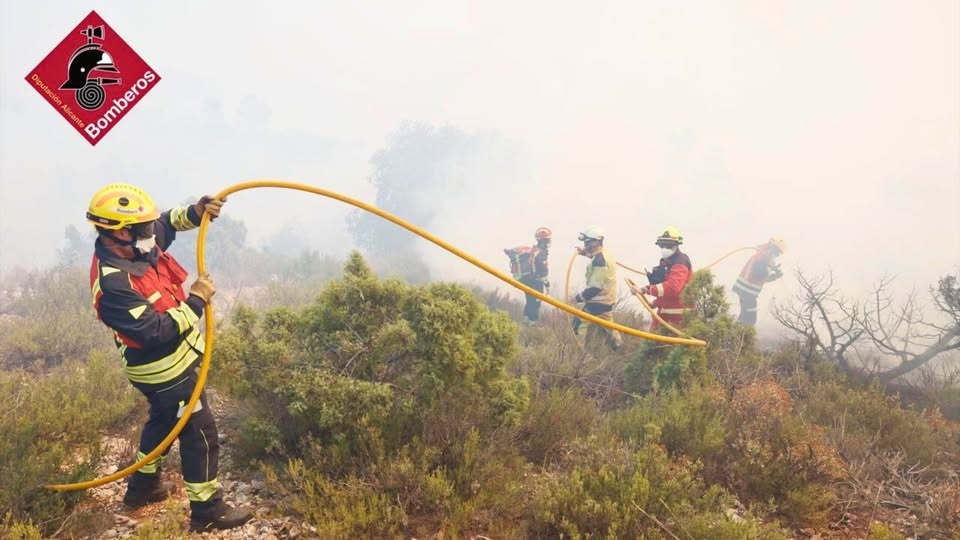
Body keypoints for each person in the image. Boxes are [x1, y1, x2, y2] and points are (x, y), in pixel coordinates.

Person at [85, 183, 253, 532]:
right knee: (198, 430)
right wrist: (196, 300)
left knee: (163, 422)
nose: (152, 231)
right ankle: (208, 510)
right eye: (143, 227)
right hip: (164, 372)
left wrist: (197, 210)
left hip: (177, 362)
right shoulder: (114, 284)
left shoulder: (138, 243)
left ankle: (142, 488)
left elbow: (167, 222)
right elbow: (154, 332)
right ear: (119, 232)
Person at [569, 225, 623, 351]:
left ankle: (579, 354)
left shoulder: (600, 261)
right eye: (585, 242)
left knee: (578, 326)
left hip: (597, 302)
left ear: (597, 241)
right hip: (606, 301)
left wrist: (577, 298)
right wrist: (584, 253)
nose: (586, 245)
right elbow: (595, 256)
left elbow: (594, 288)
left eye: (588, 242)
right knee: (608, 329)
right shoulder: (603, 254)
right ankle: (618, 347)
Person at [639, 226, 693, 332]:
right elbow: (664, 289)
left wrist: (646, 289)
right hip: (664, 314)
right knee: (652, 344)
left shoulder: (680, 262)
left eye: (668, 245)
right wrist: (655, 303)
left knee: (672, 346)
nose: (664, 248)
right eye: (662, 245)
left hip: (679, 318)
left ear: (677, 245)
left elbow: (673, 287)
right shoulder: (666, 262)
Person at [732, 237, 786, 326]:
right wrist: (773, 273)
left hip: (745, 290)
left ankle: (734, 335)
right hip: (747, 291)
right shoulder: (762, 257)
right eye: (776, 252)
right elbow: (759, 275)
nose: (776, 255)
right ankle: (741, 336)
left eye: (778, 254)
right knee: (750, 319)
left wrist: (773, 274)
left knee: (744, 317)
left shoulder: (764, 257)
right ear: (771, 247)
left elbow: (759, 279)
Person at [504, 227, 552, 324]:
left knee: (529, 299)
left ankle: (526, 318)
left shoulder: (535, 250)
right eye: (548, 240)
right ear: (544, 241)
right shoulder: (541, 252)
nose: (549, 242)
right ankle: (532, 321)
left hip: (527, 279)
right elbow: (542, 270)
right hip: (535, 280)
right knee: (537, 300)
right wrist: (546, 283)